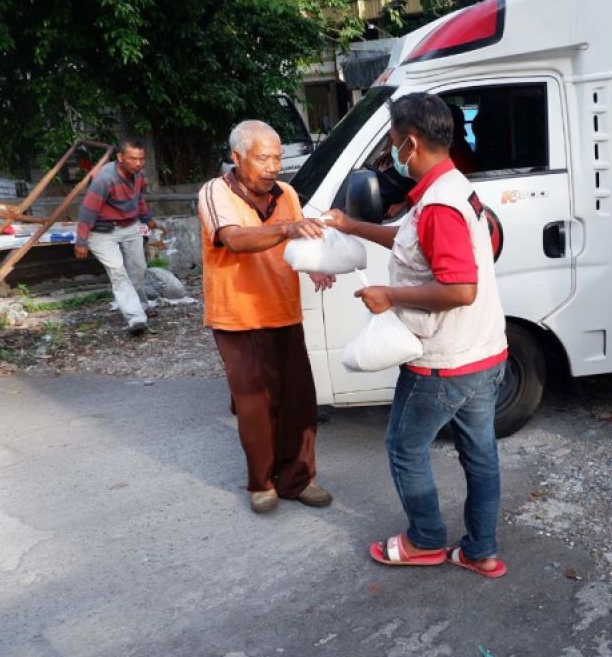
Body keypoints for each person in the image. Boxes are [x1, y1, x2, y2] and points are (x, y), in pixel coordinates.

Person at [325, 93, 509, 578]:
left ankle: (426, 540)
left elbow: (461, 288)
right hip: (483, 352)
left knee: (404, 448)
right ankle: (479, 550)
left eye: (392, 143)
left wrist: (390, 295)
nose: (392, 153)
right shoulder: (446, 189)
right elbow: (409, 236)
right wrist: (352, 226)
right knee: (480, 453)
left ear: (409, 142)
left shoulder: (440, 205)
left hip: (445, 360)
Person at [198, 120, 335, 514]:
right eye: (263, 158)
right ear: (237, 157)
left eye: (276, 156)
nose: (273, 165)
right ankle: (262, 483)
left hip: (283, 310)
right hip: (237, 315)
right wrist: (288, 228)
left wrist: (315, 266)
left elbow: (297, 243)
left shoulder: (287, 193)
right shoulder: (215, 192)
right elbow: (235, 238)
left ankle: (298, 479)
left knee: (299, 401)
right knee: (256, 405)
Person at [74, 139, 158, 336]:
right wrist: (81, 241)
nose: (138, 163)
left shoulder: (138, 175)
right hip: (102, 231)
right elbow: (88, 210)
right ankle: (136, 319)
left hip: (130, 225)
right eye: (133, 159)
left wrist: (147, 219)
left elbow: (138, 198)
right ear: (120, 158)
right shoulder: (104, 178)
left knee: (138, 269)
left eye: (141, 159)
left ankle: (142, 306)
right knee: (118, 272)